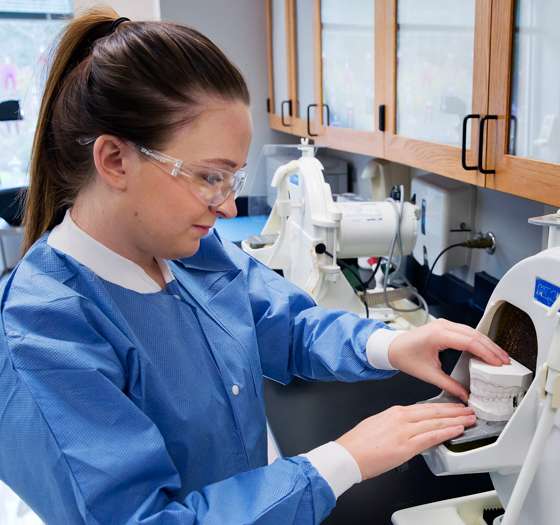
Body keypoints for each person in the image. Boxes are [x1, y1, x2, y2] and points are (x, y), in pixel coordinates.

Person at [0, 8, 509, 525]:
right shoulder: (43, 335)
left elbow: (283, 324)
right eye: (208, 177)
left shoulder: (185, 249)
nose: (225, 208)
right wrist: (343, 460)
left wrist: (392, 344)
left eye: (233, 180)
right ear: (113, 161)